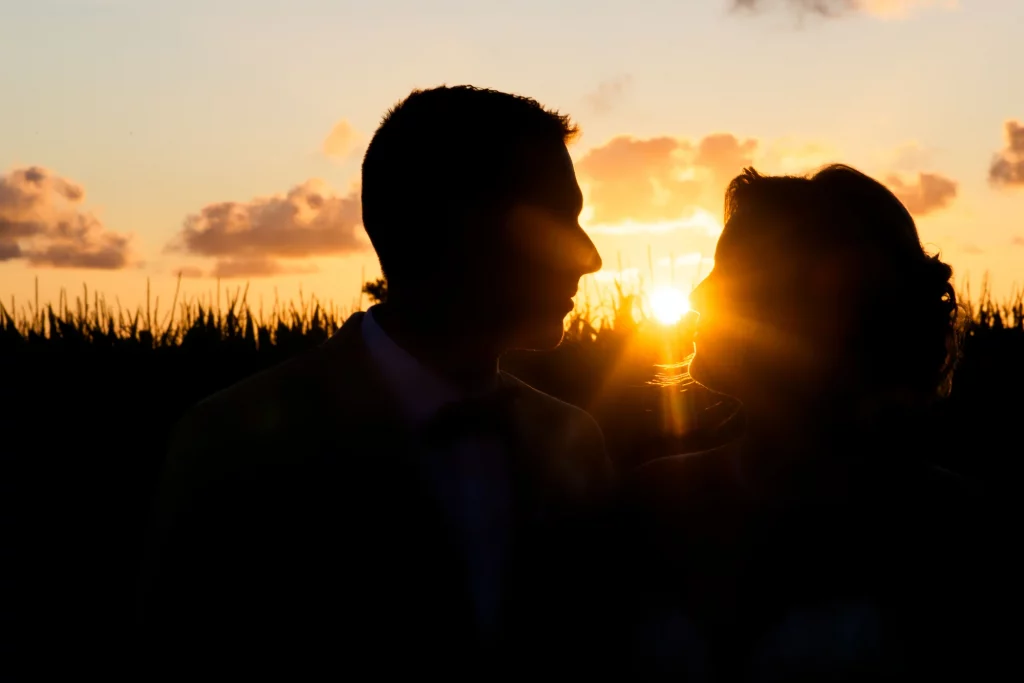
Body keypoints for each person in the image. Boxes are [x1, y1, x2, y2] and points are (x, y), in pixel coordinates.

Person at [137, 85, 612, 678]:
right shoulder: (230, 444)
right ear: (460, 226)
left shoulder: (574, 440)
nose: (590, 257)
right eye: (558, 220)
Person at [624, 165, 993, 681]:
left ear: (834, 308)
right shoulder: (649, 502)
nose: (699, 295)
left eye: (738, 270)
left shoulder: (953, 534)